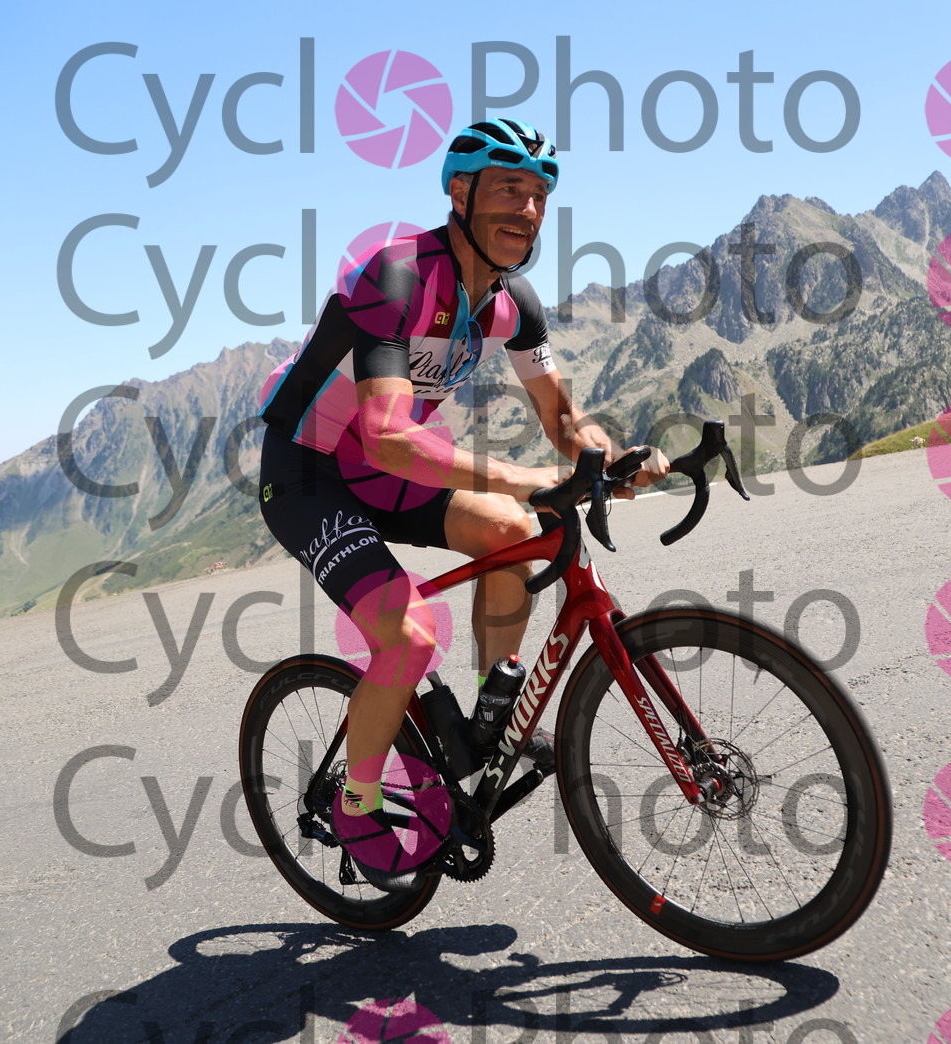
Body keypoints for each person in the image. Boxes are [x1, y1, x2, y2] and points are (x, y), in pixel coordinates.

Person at [255, 118, 669, 890]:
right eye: (510, 188)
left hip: (381, 467)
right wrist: (524, 476)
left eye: (539, 194)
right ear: (460, 192)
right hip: (309, 469)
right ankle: (357, 801)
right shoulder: (397, 276)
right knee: (408, 634)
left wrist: (607, 454)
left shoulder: (513, 303)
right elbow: (386, 435)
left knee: (515, 532)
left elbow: (562, 417)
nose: (529, 209)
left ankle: (484, 721)